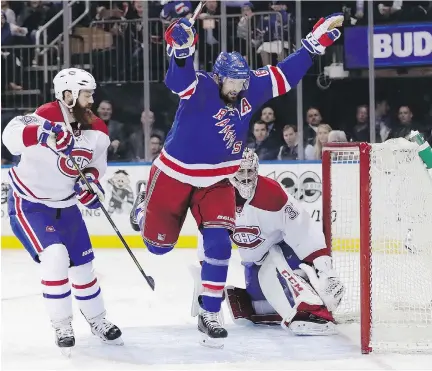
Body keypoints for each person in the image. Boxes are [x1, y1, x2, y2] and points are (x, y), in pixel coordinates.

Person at [130, 12, 344, 347]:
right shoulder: (201, 86)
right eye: (234, 83)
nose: (240, 88)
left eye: (243, 82)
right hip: (174, 174)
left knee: (219, 243)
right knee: (158, 247)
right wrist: (182, 51)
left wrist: (312, 46)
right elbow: (177, 82)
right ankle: (145, 210)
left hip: (218, 179)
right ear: (219, 78)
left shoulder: (249, 85)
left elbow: (284, 75)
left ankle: (210, 314)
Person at [2, 68, 123, 354]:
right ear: (68, 95)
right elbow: (11, 137)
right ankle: (62, 324)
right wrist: (43, 133)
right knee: (54, 256)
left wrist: (91, 186)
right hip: (30, 204)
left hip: (67, 207)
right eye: (86, 94)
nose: (92, 100)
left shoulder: (97, 128)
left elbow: (95, 167)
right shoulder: (44, 114)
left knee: (83, 268)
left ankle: (97, 319)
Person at [204, 149, 344, 335]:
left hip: (284, 254)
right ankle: (292, 303)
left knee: (275, 263)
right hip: (253, 262)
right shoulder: (216, 198)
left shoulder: (272, 194)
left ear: (257, 170)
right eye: (240, 172)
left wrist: (326, 270)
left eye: (250, 171)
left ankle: (314, 310)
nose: (246, 178)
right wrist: (208, 288)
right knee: (261, 307)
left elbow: (303, 230)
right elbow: (209, 243)